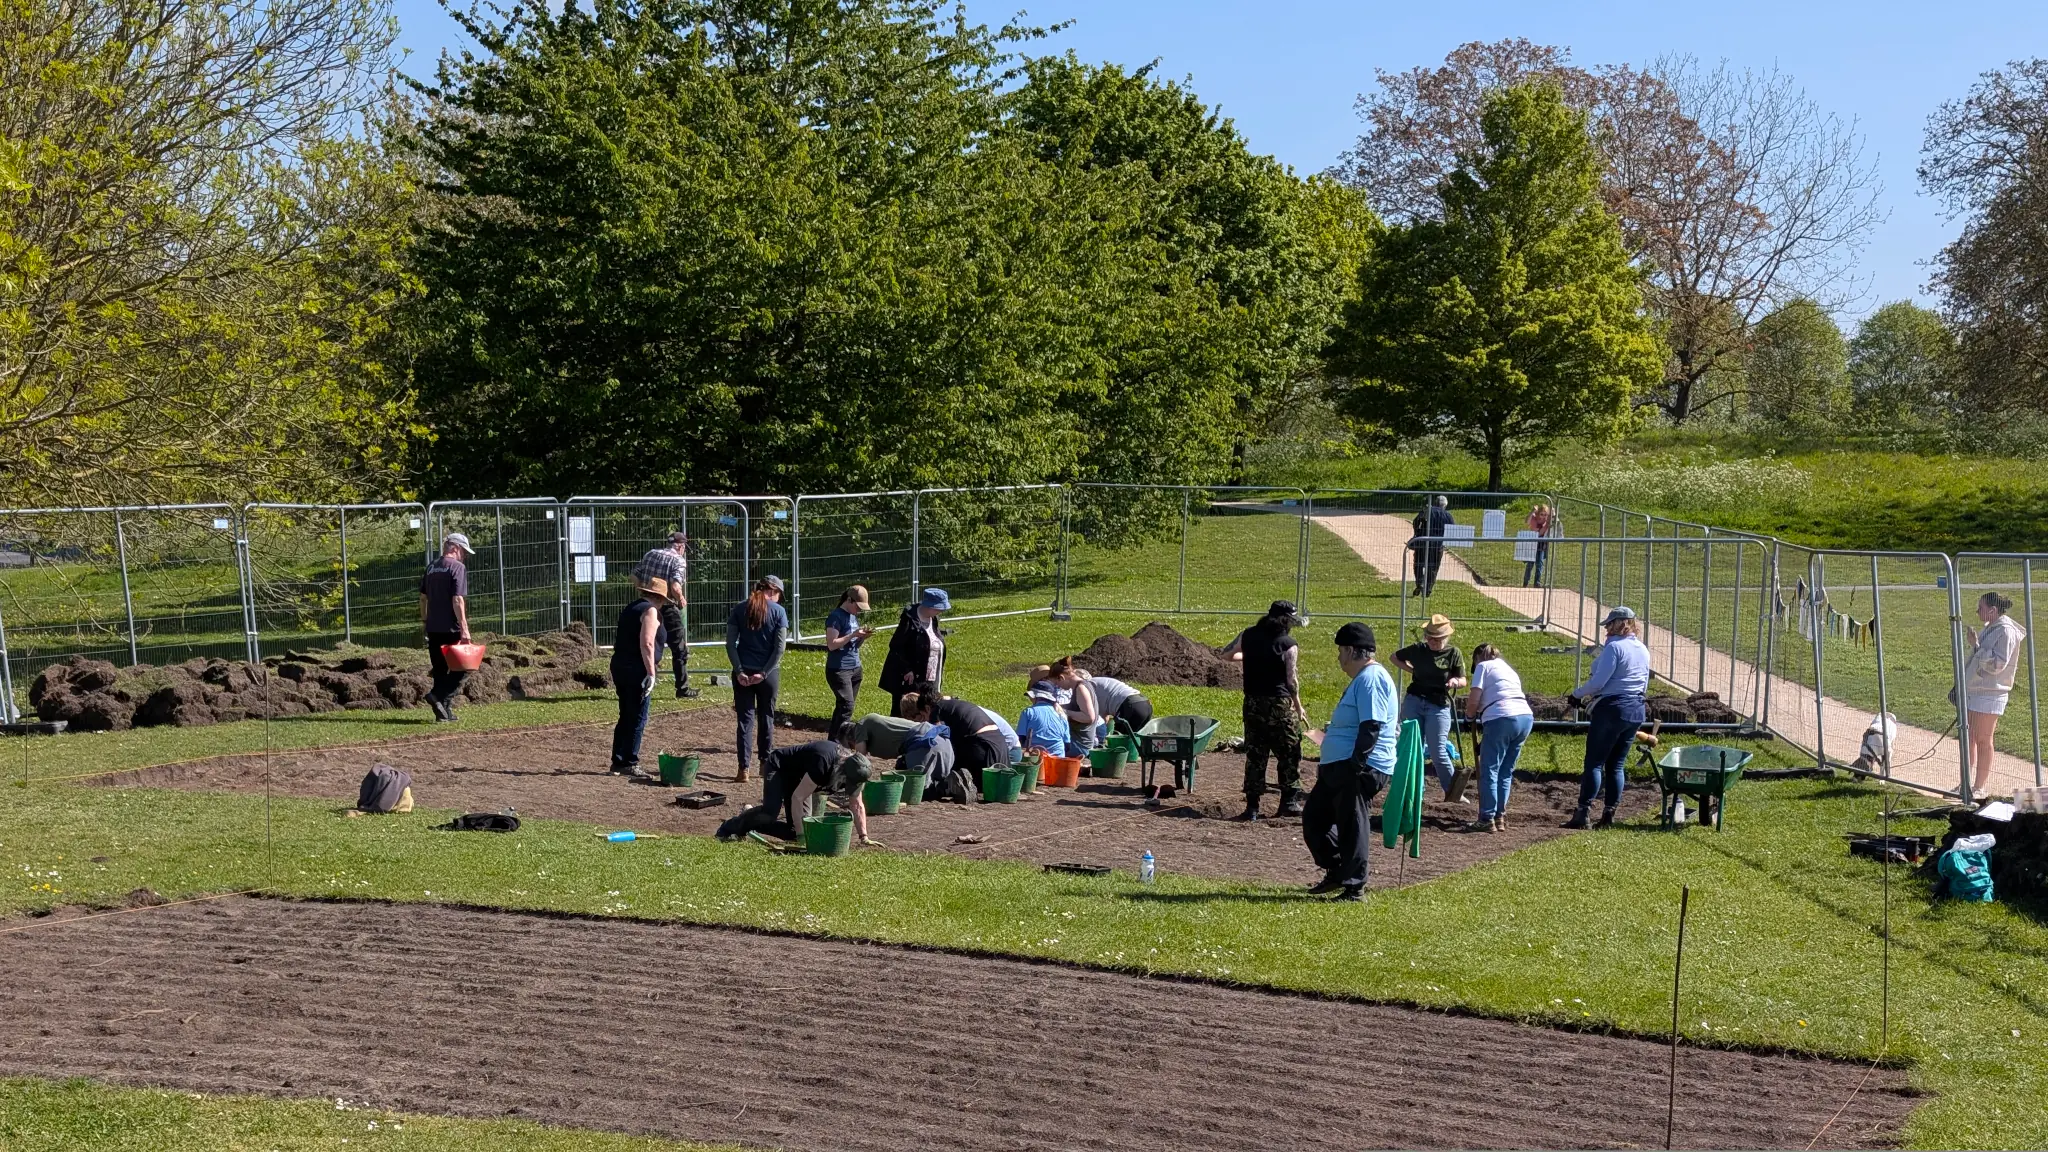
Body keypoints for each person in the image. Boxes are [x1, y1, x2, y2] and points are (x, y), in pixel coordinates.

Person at [1303, 622, 1398, 902]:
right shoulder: (1362, 680)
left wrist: (1356, 765)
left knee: (1352, 824)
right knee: (1315, 820)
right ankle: (1337, 871)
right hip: (1341, 765)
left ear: (1352, 650)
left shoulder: (1371, 678)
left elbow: (1372, 724)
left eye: (1341, 651)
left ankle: (1355, 886)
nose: (1338, 658)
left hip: (1357, 767)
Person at [1221, 600, 1309, 821]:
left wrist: (1250, 657)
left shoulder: (1248, 635)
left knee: (1256, 754)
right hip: (1279, 704)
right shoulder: (1288, 644)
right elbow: (1291, 681)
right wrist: (1298, 706)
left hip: (1252, 703)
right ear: (1285, 621)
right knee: (1289, 751)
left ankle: (1252, 807)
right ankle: (1288, 802)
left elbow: (1227, 654)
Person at [1565, 606, 1651, 829]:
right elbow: (1643, 683)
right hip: (1636, 708)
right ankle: (1609, 814)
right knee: (1616, 765)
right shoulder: (1642, 649)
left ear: (1619, 624)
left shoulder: (1614, 648)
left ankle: (1583, 812)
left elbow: (1599, 682)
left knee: (1594, 762)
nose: (1606, 630)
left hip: (1612, 708)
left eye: (1609, 625)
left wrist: (1577, 694)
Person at [715, 741, 875, 846]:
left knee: (796, 831)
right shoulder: (824, 763)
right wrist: (802, 838)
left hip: (799, 777)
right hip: (780, 767)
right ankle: (729, 827)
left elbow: (857, 804)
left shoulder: (856, 772)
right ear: (843, 768)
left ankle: (749, 823)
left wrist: (864, 837)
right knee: (770, 812)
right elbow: (798, 797)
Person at [1392, 614, 1466, 799]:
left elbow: (1464, 679)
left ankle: (1453, 792)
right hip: (1414, 701)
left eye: (1437, 639)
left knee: (1438, 750)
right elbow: (1394, 657)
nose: (1433, 642)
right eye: (1430, 638)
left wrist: (1455, 681)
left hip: (1438, 705)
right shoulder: (1418, 650)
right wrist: (1411, 670)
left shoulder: (1453, 653)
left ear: (1446, 638)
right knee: (1412, 747)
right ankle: (1415, 791)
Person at [725, 575, 788, 783]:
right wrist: (764, 672)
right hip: (767, 675)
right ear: (772, 591)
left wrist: (739, 670)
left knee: (745, 720)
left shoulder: (740, 608)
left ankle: (743, 768)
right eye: (778, 594)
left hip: (743, 672)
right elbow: (779, 648)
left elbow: (730, 644)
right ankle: (765, 763)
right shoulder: (779, 612)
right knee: (766, 716)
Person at [1464, 643, 1533, 833]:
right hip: (1525, 718)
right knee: (1505, 771)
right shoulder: (1508, 669)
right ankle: (1499, 816)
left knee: (1490, 770)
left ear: (1478, 658)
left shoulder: (1482, 666)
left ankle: (1486, 817)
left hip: (1501, 717)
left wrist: (1469, 716)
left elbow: (1474, 697)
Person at [1965, 591, 2027, 795]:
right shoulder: (1990, 627)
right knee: (1970, 737)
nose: (1977, 611)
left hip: (1991, 694)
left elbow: (1998, 664)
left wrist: (1975, 645)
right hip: (1976, 690)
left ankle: (1979, 787)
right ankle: (1966, 784)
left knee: (1983, 739)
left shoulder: (2006, 631)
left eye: (1980, 608)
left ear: (1992, 610)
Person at [608, 574, 669, 780]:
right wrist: (651, 673)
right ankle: (630, 761)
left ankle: (618, 759)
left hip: (620, 665)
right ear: (659, 598)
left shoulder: (631, 608)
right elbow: (647, 643)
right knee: (638, 716)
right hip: (637, 668)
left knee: (626, 712)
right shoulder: (650, 611)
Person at [902, 686, 1008, 794]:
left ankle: (947, 787)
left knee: (955, 778)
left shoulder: (935, 710)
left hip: (981, 750)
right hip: (1000, 748)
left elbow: (935, 742)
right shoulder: (953, 704)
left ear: (927, 708)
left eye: (923, 716)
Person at [632, 531, 700, 699]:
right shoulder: (678, 560)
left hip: (646, 605)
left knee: (647, 644)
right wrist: (681, 599)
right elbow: (675, 586)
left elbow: (633, 576)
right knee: (679, 648)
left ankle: (642, 682)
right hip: (667, 607)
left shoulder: (651, 554)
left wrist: (643, 590)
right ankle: (682, 688)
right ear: (681, 546)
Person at [419, 533, 474, 723]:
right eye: (464, 552)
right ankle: (437, 695)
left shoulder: (431, 567)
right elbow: (458, 599)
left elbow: (423, 598)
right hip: (451, 628)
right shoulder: (457, 567)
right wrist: (464, 629)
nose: (464, 556)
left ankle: (444, 713)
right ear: (455, 548)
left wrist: (425, 622)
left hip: (433, 627)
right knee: (464, 667)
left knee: (440, 670)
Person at [1049, 656, 1154, 750]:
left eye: (1057, 683)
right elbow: (1102, 716)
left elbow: (1093, 717)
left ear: (1061, 678)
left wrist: (1065, 712)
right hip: (1144, 703)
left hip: (1130, 706)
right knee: (1136, 742)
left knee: (1119, 745)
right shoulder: (1091, 683)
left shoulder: (1083, 688)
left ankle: (1118, 768)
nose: (1058, 687)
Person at [879, 587, 950, 713]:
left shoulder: (933, 619)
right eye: (939, 608)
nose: (941, 611)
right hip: (910, 678)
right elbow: (896, 646)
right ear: (929, 606)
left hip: (930, 674)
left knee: (926, 707)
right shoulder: (909, 620)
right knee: (908, 709)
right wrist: (907, 669)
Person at [823, 585, 875, 744]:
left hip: (855, 667)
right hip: (839, 668)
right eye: (857, 607)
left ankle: (836, 740)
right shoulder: (835, 617)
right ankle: (836, 743)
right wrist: (853, 634)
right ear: (849, 600)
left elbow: (852, 645)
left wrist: (861, 638)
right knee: (847, 706)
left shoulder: (853, 616)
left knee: (844, 707)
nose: (858, 611)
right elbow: (832, 644)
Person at [1410, 495, 1454, 597]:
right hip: (1437, 544)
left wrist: (1418, 533)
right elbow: (1453, 530)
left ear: (1435, 502)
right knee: (1433, 566)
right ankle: (1428, 587)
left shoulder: (1427, 510)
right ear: (1445, 505)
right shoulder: (1447, 515)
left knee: (1418, 563)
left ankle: (1420, 582)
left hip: (1423, 541)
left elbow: (1415, 521)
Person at [1016, 681, 1075, 757]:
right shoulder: (1061, 714)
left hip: (1036, 757)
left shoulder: (1028, 712)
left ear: (1036, 697)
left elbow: (1021, 738)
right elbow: (1067, 745)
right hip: (1058, 758)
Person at [1523, 503, 1554, 588]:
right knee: (1530, 563)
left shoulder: (1547, 520)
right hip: (1533, 541)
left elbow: (1553, 524)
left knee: (1540, 563)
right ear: (1538, 513)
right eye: (1541, 514)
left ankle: (1537, 583)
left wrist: (1553, 514)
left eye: (1545, 515)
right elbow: (1527, 521)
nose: (1543, 517)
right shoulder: (1533, 517)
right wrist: (1532, 511)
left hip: (1542, 542)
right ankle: (1525, 582)